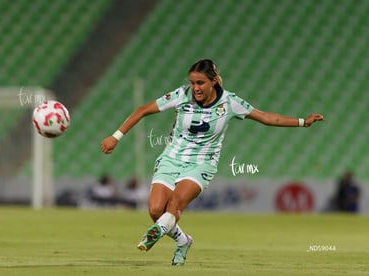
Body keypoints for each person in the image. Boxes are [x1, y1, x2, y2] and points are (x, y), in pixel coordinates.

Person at [101, 59, 324, 265]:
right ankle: (183, 240)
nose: (195, 88)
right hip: (171, 159)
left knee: (175, 204)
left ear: (213, 81)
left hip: (202, 164)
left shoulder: (230, 102)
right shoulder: (182, 95)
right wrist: (116, 136)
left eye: (200, 83)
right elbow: (143, 110)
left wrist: (303, 121)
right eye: (192, 82)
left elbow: (267, 118)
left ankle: (155, 233)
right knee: (156, 210)